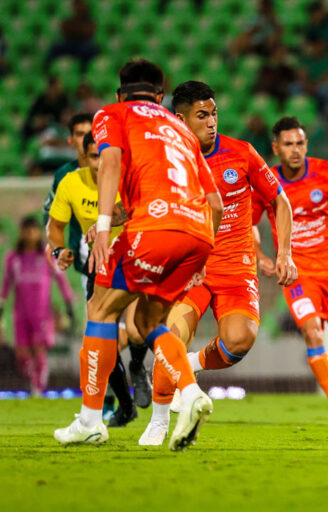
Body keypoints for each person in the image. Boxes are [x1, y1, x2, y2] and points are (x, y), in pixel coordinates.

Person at [53, 59, 223, 451]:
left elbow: (109, 160)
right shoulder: (180, 128)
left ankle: (90, 421)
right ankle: (193, 392)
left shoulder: (112, 114)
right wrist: (201, 257)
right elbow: (214, 203)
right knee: (148, 320)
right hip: (197, 235)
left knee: (100, 308)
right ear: (160, 97)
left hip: (154, 227)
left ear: (120, 94)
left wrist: (101, 226)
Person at [138, 81, 296, 446]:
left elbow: (280, 201)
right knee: (172, 336)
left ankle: (190, 366)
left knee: (238, 342)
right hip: (190, 268)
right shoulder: (167, 161)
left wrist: (284, 252)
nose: (212, 122)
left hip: (235, 268)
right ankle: (159, 420)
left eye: (214, 113)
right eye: (202, 115)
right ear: (180, 119)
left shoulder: (241, 153)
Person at [253, 117, 328, 426]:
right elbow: (247, 222)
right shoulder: (267, 183)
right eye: (288, 144)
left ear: (306, 144)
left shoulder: (326, 172)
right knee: (311, 330)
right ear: (276, 148)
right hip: (297, 274)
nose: (296, 150)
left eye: (300, 143)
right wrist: (259, 256)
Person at [47, 133, 142, 427]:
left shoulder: (128, 178)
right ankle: (125, 407)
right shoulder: (70, 183)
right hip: (99, 268)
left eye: (104, 156)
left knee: (140, 332)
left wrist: (107, 223)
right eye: (93, 157)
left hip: (137, 259)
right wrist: (58, 250)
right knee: (104, 341)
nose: (100, 164)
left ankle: (138, 367)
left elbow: (141, 210)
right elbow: (55, 226)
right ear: (83, 157)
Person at [0, 216, 75, 396]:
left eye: (33, 230)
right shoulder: (13, 258)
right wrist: (2, 307)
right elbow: (6, 285)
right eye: (27, 230)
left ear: (39, 232)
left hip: (42, 313)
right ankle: (32, 381)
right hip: (20, 313)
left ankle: (38, 388)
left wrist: (68, 304)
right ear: (22, 232)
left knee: (39, 349)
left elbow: (61, 280)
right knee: (22, 354)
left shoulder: (48, 256)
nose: (30, 234)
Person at [45, 0, 100, 72]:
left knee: (91, 49)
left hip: (82, 44)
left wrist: (75, 29)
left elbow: (89, 32)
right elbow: (64, 29)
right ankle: (49, 72)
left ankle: (84, 73)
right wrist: (78, 29)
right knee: (55, 47)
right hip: (68, 43)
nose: (77, 7)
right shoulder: (68, 16)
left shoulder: (88, 18)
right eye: (75, 5)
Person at [22, 77, 70, 149]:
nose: (56, 91)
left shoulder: (63, 100)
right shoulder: (40, 100)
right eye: (54, 88)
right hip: (41, 131)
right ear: (49, 87)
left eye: (58, 88)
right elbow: (31, 119)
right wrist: (38, 121)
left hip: (57, 129)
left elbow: (66, 117)